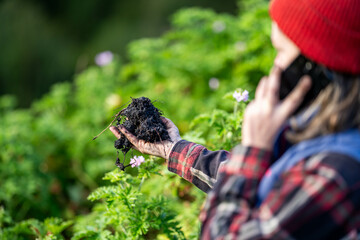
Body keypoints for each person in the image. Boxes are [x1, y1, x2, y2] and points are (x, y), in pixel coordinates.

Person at [110, 0, 360, 238]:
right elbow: (262, 186)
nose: (276, 68)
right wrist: (172, 148)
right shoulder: (329, 130)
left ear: (318, 67)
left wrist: (254, 150)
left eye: (282, 52)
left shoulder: (336, 174)